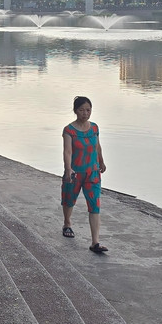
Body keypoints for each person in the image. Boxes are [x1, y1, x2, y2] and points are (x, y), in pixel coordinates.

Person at [61, 95, 108, 253]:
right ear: (75, 111)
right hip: (75, 173)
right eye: (81, 110)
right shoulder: (69, 130)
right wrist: (68, 169)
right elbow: (67, 151)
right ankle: (67, 223)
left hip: (92, 172)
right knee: (69, 200)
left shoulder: (94, 128)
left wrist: (101, 161)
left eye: (88, 110)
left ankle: (95, 242)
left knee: (95, 205)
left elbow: (97, 147)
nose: (85, 113)